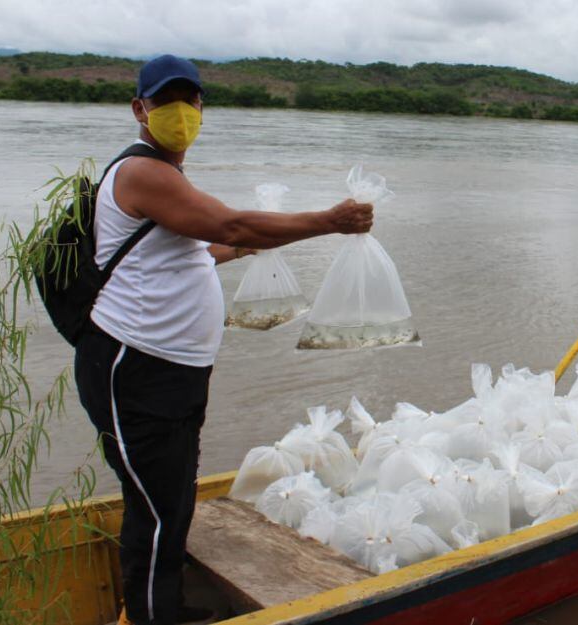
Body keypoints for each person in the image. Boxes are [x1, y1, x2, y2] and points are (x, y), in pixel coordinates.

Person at [72, 54, 373, 625]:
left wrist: (251, 246)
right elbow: (232, 224)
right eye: (167, 102)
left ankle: (156, 608)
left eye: (191, 102)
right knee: (160, 507)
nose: (180, 113)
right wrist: (327, 221)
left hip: (171, 372)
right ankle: (156, 617)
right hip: (133, 367)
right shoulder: (142, 171)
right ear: (140, 109)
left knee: (169, 497)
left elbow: (206, 249)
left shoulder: (169, 177)